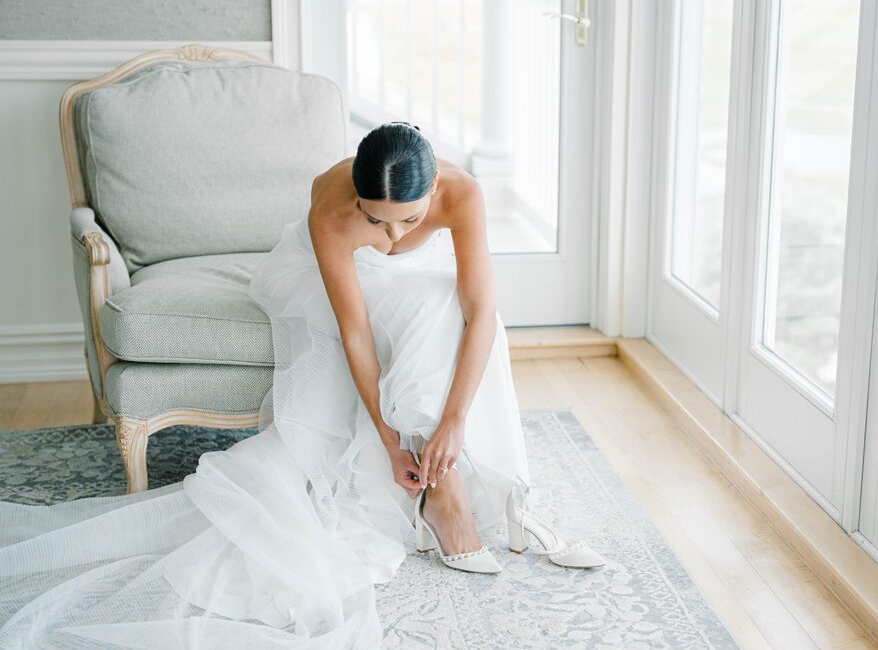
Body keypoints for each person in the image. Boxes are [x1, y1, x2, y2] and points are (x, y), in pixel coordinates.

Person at [0, 121, 603, 648]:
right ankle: (443, 492)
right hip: (320, 277)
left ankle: (442, 481)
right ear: (357, 199)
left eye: (411, 220)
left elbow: (481, 310)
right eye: (376, 219)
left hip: (417, 281)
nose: (394, 237)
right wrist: (390, 440)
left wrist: (454, 421)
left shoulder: (464, 192)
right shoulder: (332, 210)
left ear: (434, 192)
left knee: (451, 311)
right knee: (425, 312)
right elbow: (355, 333)